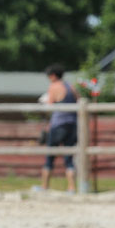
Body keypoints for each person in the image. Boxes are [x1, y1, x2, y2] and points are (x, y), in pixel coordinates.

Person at [38, 63, 77, 192]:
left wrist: (44, 102)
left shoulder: (54, 86)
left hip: (58, 124)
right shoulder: (71, 86)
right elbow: (79, 101)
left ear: (53, 76)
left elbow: (49, 108)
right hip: (72, 125)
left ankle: (44, 187)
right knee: (69, 158)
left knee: (50, 156)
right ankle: (71, 188)